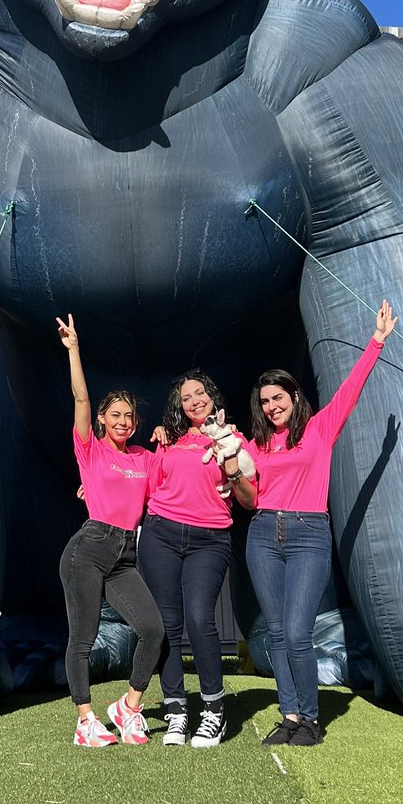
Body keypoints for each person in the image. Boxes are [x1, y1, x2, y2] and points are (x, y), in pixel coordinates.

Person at [246, 300, 398, 748]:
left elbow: (351, 389)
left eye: (278, 397)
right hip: (261, 535)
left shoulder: (319, 428)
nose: (272, 406)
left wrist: (376, 341)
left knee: (297, 631)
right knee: (275, 632)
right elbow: (237, 484)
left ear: (294, 396)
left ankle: (311, 719)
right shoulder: (255, 444)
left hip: (309, 534)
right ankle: (289, 715)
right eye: (265, 401)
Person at [56, 313, 165, 748]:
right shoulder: (91, 450)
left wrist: (165, 436)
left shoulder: (142, 456)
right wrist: (74, 349)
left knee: (152, 630)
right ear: (102, 420)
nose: (122, 421)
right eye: (114, 415)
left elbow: (169, 479)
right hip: (89, 547)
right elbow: (81, 399)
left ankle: (129, 707)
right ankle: (85, 721)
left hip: (125, 554)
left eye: (129, 417)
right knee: (82, 638)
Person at [139, 371, 255, 748]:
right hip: (161, 534)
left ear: (211, 396)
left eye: (199, 393)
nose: (193, 400)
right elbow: (151, 486)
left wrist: (233, 465)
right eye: (185, 397)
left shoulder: (231, 438)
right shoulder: (169, 439)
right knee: (167, 624)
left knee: (200, 617)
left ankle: (213, 711)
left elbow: (249, 498)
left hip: (210, 537)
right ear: (180, 405)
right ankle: (175, 712)